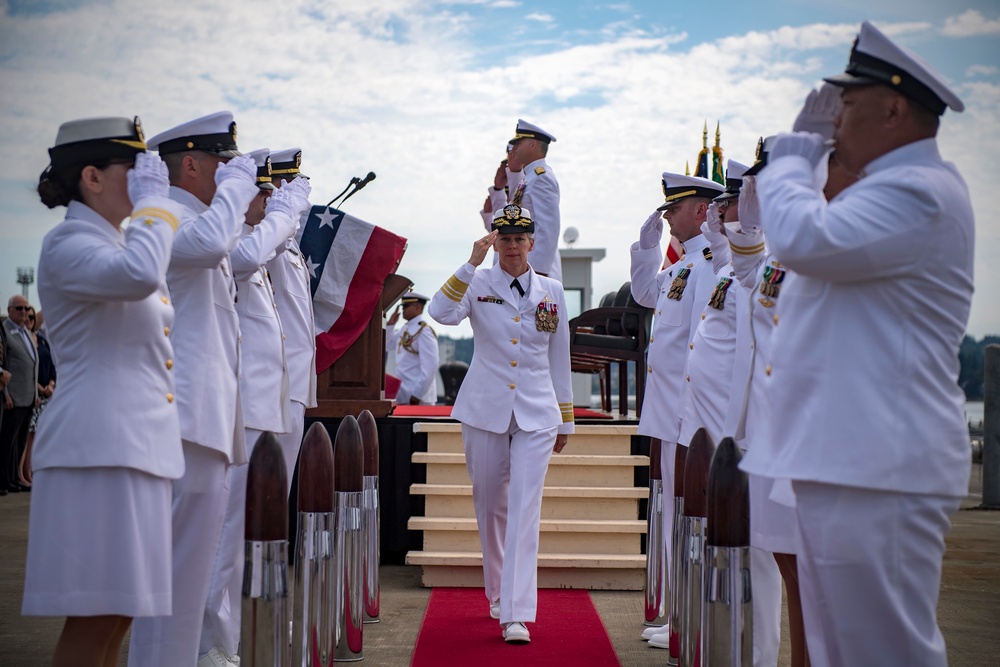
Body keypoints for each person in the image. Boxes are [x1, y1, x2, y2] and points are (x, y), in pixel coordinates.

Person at [741, 21, 973, 667]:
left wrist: (791, 156)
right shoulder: (883, 193)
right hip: (846, 460)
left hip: (880, 465)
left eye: (848, 105)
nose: (836, 119)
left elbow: (801, 239)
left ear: (894, 108)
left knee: (885, 652)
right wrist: (813, 159)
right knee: (842, 651)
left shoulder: (919, 192)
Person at [20, 116, 183, 667]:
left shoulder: (115, 241)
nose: (145, 183)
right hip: (97, 452)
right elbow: (138, 274)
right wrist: (159, 209)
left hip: (132, 451)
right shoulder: (68, 243)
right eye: (134, 170)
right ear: (91, 176)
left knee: (119, 617)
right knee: (93, 620)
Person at [128, 112, 259, 667]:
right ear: (189, 164)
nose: (231, 175)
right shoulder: (167, 218)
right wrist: (236, 189)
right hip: (180, 416)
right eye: (221, 164)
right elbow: (209, 245)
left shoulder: (198, 220)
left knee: (188, 569)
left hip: (205, 417)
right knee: (173, 571)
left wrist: (228, 188)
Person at [428, 203, 574, 644]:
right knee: (490, 502)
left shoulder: (551, 290)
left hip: (537, 411)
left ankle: (516, 612)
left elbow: (558, 355)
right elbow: (439, 311)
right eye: (504, 238)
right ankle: (496, 592)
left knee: (525, 508)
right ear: (495, 242)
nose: (513, 246)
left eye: (520, 238)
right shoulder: (478, 282)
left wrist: (565, 420)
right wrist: (471, 262)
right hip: (485, 407)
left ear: (532, 242)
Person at [197, 148, 311, 666]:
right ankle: (211, 640)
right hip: (242, 403)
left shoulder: (268, 243)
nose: (272, 201)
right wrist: (285, 216)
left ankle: (243, 621)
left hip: (270, 399)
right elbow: (247, 258)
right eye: (265, 192)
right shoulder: (240, 243)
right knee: (226, 528)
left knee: (260, 520)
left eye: (275, 193)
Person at [629, 173, 724, 648]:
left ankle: (689, 615)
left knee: (691, 516)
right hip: (669, 410)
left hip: (690, 412)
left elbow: (701, 341)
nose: (666, 217)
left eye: (674, 209)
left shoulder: (709, 264)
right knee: (673, 515)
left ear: (702, 211)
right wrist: (645, 248)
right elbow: (646, 295)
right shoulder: (685, 264)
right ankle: (678, 612)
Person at [265, 147, 318, 490]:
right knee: (264, 487)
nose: (303, 190)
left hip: (295, 377)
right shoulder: (273, 237)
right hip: (274, 377)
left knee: (278, 489)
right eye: (294, 182)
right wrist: (281, 210)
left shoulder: (291, 242)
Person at [503, 120, 562, 281]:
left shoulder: (541, 177)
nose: (514, 148)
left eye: (519, 142)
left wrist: (538, 272)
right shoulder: (530, 177)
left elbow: (548, 227)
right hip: (525, 269)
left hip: (538, 273)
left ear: (532, 145)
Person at [1, 294, 38, 495]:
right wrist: (5, 393)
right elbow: (4, 365)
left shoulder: (25, 332)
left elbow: (32, 364)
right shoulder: (5, 332)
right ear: (9, 311)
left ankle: (14, 477)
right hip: (13, 397)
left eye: (26, 308)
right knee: (8, 441)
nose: (24, 312)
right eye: (19, 308)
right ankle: (4, 479)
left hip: (29, 396)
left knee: (21, 442)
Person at [22, 308, 56, 488]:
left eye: (31, 316)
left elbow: (50, 364)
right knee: (26, 435)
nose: (28, 318)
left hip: (48, 392)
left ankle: (30, 472)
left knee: (38, 434)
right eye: (24, 314)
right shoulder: (24, 337)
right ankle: (22, 474)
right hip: (32, 392)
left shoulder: (41, 339)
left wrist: (51, 384)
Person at [386, 291, 439, 405]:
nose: (402, 310)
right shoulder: (405, 328)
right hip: (404, 393)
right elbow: (387, 345)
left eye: (406, 306)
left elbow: (431, 366)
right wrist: (390, 324)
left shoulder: (424, 330)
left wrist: (417, 394)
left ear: (418, 307)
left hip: (418, 397)